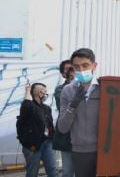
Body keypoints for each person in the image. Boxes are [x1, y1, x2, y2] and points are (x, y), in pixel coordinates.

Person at [58, 48, 100, 177]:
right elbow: (63, 128)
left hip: (104, 149)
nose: (81, 70)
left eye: (85, 65)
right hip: (80, 151)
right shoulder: (67, 91)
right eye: (77, 67)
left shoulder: (104, 88)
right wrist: (73, 105)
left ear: (94, 65)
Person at [18, 82, 56, 177]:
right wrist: (27, 91)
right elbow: (26, 105)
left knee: (52, 170)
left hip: (47, 143)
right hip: (33, 146)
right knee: (32, 172)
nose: (46, 94)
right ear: (39, 93)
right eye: (44, 92)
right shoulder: (29, 106)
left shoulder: (47, 108)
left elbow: (50, 124)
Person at [53, 60, 75, 177]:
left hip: (82, 137)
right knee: (67, 171)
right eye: (67, 69)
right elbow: (65, 108)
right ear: (63, 74)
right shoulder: (60, 90)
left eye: (73, 67)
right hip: (66, 136)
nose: (71, 70)